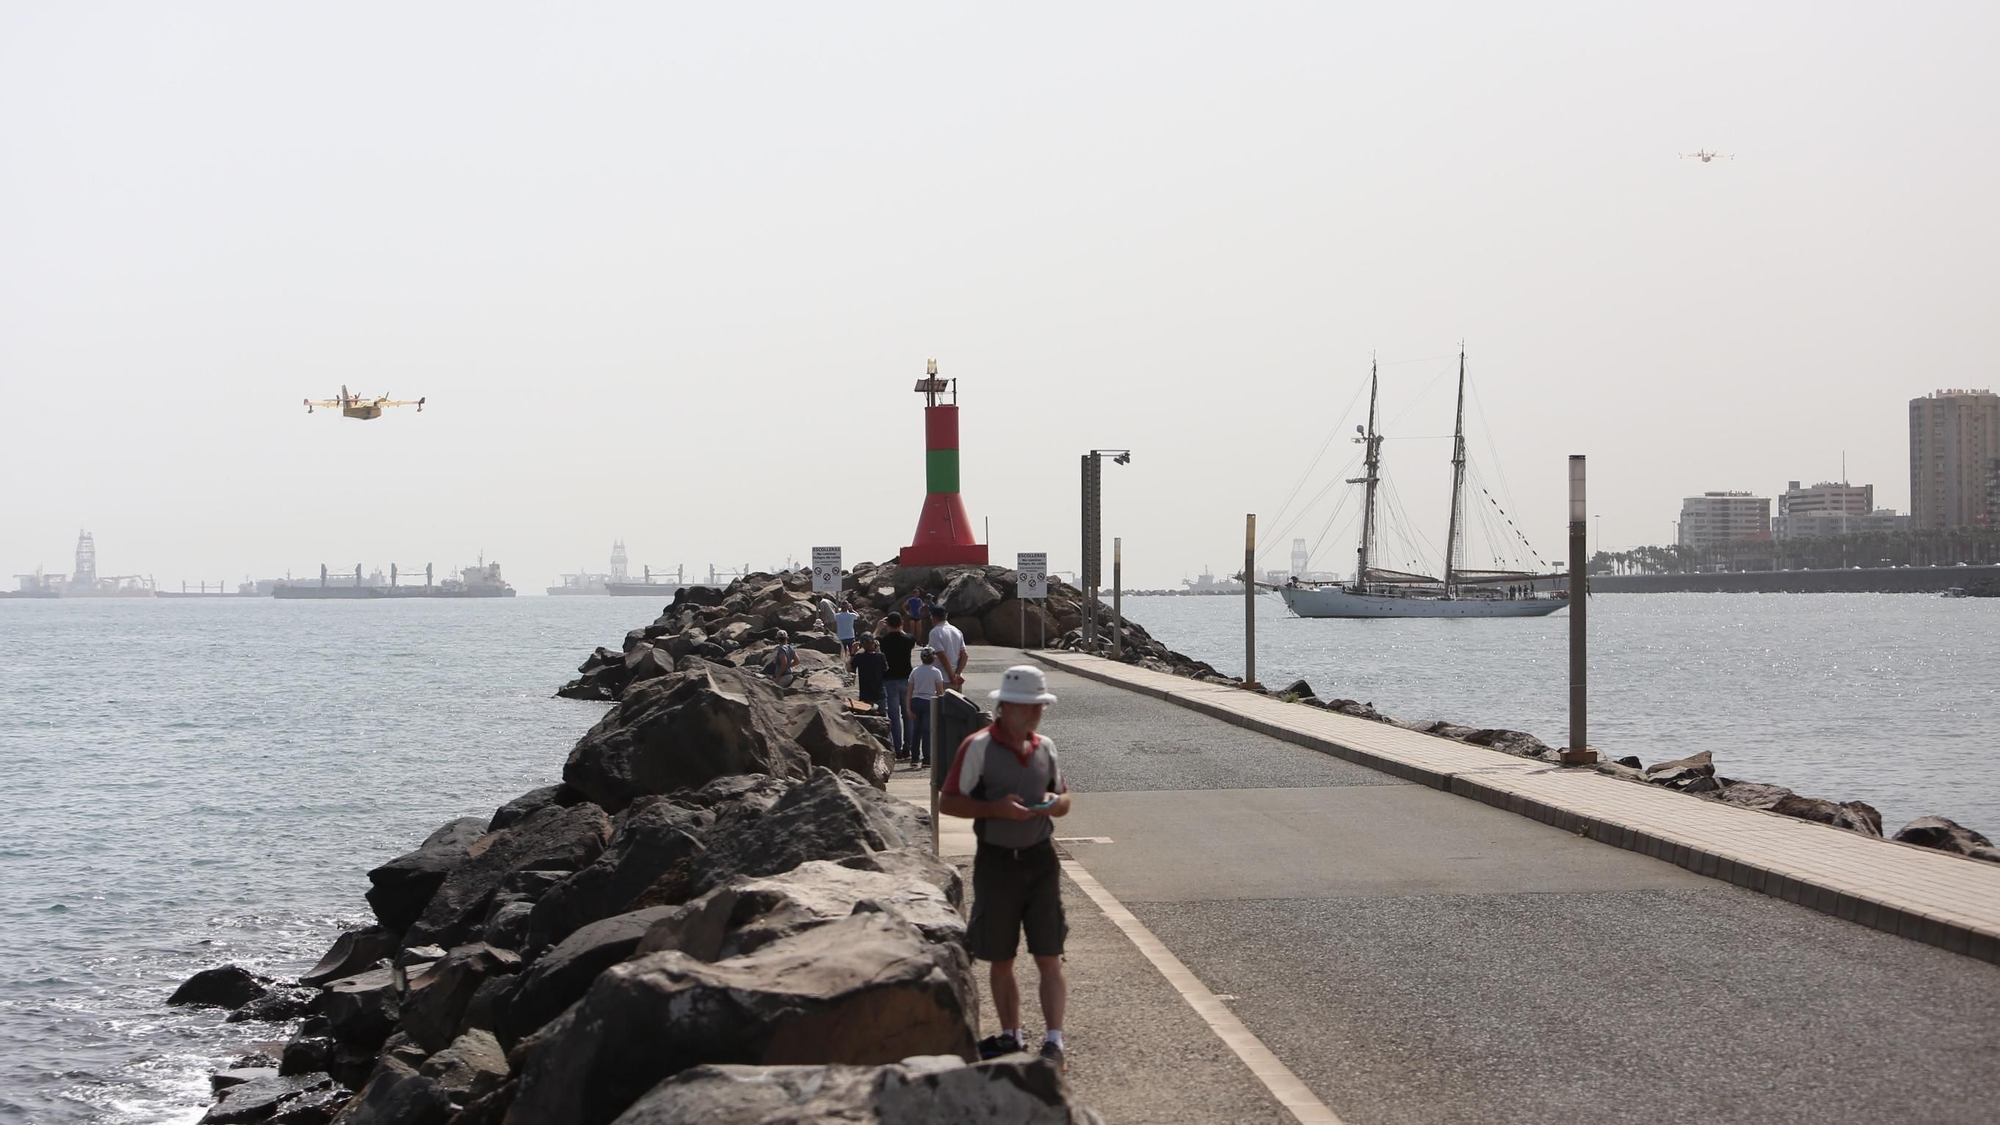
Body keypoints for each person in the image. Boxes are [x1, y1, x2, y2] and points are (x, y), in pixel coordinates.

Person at [938, 665, 1070, 1070]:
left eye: (1039, 707)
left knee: (1049, 953)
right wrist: (994, 809)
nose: (1035, 715)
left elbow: (1065, 799)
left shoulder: (1044, 746)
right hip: (997, 860)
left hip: (1041, 859)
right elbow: (949, 801)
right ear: (1006, 706)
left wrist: (1052, 805)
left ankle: (1054, 1041)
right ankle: (1012, 1035)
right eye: (1029, 707)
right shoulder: (977, 746)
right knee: (1001, 956)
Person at [875, 612, 915, 758]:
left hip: (889, 680)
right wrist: (900, 627)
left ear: (888, 625)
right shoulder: (909, 639)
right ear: (901, 624)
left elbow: (870, 643)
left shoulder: (882, 640)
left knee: (894, 715)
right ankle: (908, 747)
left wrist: (878, 628)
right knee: (908, 714)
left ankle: (897, 749)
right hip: (907, 680)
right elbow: (908, 636)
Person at [906, 647, 947, 769]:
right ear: (934, 658)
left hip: (916, 700)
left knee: (916, 730)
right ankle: (927, 759)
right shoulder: (936, 672)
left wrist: (908, 707)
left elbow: (909, 691)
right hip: (930, 702)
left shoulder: (915, 671)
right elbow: (940, 692)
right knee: (927, 730)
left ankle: (914, 758)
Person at [847, 634, 888, 724]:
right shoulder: (880, 656)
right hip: (879, 694)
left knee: (867, 722)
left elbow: (849, 669)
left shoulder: (859, 657)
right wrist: (878, 649)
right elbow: (885, 669)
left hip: (865, 695)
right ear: (873, 643)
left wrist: (853, 653)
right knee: (883, 721)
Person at [927, 605, 968, 689]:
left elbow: (942, 655)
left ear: (933, 617)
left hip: (942, 678)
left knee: (941, 702)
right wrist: (957, 674)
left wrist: (951, 676)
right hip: (957, 680)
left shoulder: (935, 632)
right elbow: (964, 655)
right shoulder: (957, 631)